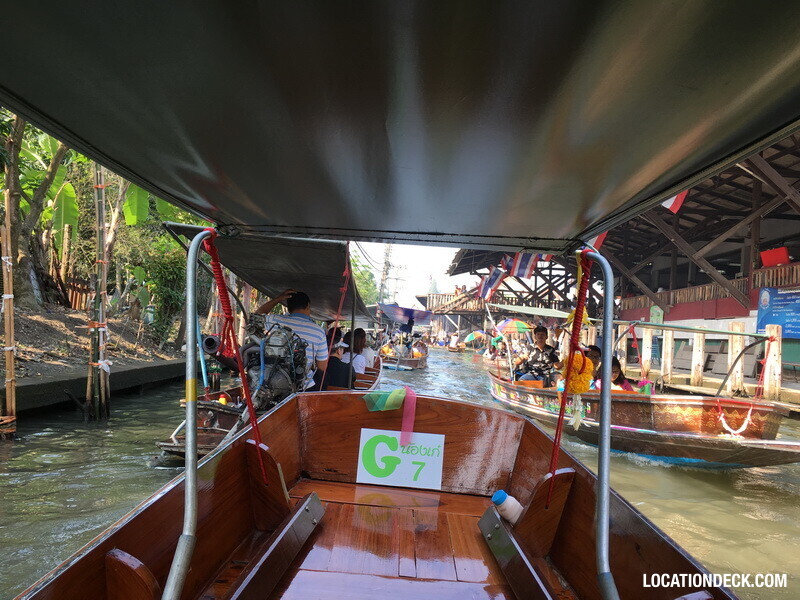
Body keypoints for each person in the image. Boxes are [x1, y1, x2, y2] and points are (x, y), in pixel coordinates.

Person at [255, 289, 327, 390]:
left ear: (288, 308)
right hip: (304, 385)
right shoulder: (319, 331)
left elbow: (256, 316)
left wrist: (278, 299)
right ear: (308, 306)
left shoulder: (275, 320)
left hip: (273, 382)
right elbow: (322, 367)